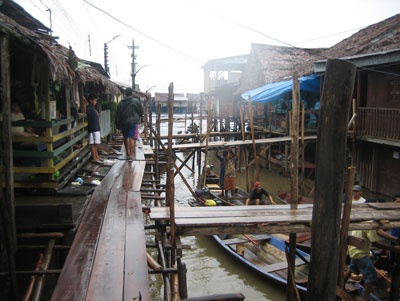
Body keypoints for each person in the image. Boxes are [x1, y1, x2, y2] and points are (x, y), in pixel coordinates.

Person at [344, 224, 400, 301]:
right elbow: (375, 243)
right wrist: (393, 248)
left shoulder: (363, 222)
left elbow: (379, 231)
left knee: (352, 267)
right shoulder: (370, 225)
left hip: (354, 251)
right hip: (361, 254)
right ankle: (366, 298)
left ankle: (342, 284)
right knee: (371, 275)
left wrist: (394, 238)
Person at [116, 88, 143, 160]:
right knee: (132, 138)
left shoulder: (121, 102)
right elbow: (141, 112)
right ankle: (131, 154)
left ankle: (127, 152)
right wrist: (138, 118)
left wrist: (117, 124)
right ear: (132, 93)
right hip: (133, 122)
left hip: (123, 122)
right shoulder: (136, 101)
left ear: (125, 94)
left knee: (125, 137)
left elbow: (118, 114)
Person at [86, 94, 102, 163]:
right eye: (94, 100)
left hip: (95, 127)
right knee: (93, 143)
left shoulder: (93, 108)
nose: (95, 102)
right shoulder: (88, 108)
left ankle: (96, 156)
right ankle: (94, 157)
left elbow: (98, 116)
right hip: (93, 127)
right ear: (90, 101)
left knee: (96, 143)